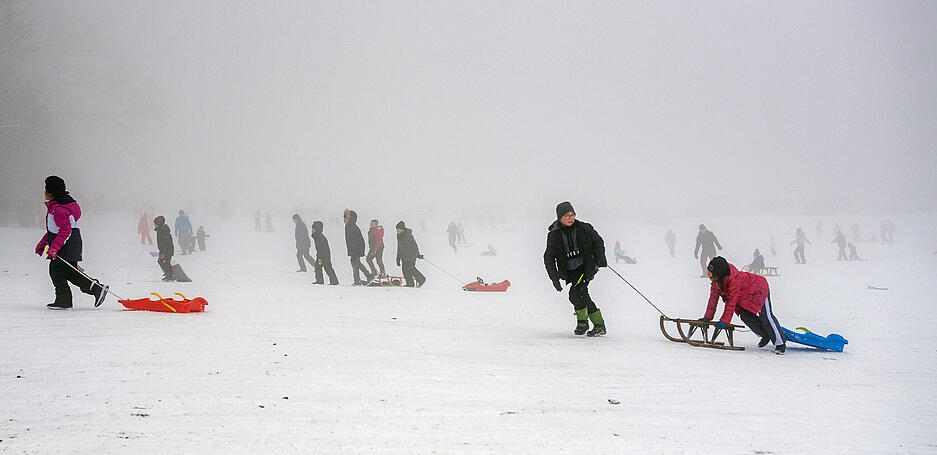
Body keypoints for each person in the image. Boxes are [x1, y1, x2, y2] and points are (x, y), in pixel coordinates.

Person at [35, 176, 108, 309]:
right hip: (70, 244)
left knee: (56, 271)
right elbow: (54, 230)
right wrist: (43, 243)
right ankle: (96, 289)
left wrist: (54, 248)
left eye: (46, 190)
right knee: (70, 272)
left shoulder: (58, 210)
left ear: (51, 193)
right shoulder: (58, 207)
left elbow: (65, 231)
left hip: (66, 245)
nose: (44, 192)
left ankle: (64, 301)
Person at [543, 201, 608, 337]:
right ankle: (591, 324)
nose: (570, 218)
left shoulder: (584, 228)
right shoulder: (554, 235)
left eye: (572, 215)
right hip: (570, 271)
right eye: (566, 216)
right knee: (581, 294)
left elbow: (598, 242)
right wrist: (554, 278)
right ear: (559, 217)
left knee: (576, 293)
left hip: (586, 267)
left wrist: (600, 258)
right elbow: (549, 257)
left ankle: (589, 323)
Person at [700, 257, 786, 354]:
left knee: (766, 317)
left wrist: (724, 321)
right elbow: (713, 299)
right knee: (745, 317)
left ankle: (780, 343)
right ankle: (765, 335)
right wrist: (707, 317)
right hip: (745, 297)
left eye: (711, 276)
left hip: (759, 289)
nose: (710, 279)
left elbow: (731, 302)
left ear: (719, 274)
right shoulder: (716, 282)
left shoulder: (734, 280)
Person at [344, 210, 373, 285]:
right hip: (356, 249)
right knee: (357, 263)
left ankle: (357, 280)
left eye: (345, 217)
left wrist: (355, 251)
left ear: (350, 218)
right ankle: (369, 276)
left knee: (354, 262)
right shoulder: (350, 226)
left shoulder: (351, 227)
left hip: (356, 249)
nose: (344, 219)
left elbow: (356, 240)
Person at [395, 221, 425, 287]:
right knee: (405, 271)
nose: (397, 230)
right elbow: (399, 248)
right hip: (404, 257)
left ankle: (421, 279)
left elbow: (414, 245)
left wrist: (418, 254)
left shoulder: (408, 235)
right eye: (397, 229)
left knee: (411, 269)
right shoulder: (399, 237)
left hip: (411, 256)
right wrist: (398, 258)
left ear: (402, 229)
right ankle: (410, 284)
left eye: (398, 229)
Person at [311, 220, 338, 285]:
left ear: (316, 229)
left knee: (325, 267)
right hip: (322, 256)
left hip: (323, 256)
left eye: (313, 228)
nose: (312, 230)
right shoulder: (317, 236)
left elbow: (321, 249)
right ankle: (321, 281)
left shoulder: (319, 237)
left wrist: (320, 257)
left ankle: (333, 281)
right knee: (319, 267)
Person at [154, 215, 175, 281]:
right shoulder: (161, 230)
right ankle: (168, 274)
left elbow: (165, 243)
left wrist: (162, 252)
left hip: (167, 250)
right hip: (166, 250)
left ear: (159, 223)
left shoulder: (163, 231)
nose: (154, 225)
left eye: (155, 224)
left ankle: (170, 275)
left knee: (164, 262)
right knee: (165, 262)